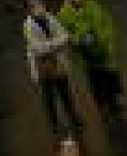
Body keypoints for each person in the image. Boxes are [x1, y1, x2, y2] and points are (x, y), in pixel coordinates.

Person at [25, 1, 87, 133]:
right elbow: (38, 48)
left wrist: (51, 45)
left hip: (58, 64)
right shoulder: (28, 26)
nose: (39, 8)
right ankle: (54, 123)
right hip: (43, 68)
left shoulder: (50, 18)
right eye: (34, 6)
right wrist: (56, 44)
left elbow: (65, 35)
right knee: (49, 97)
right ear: (29, 10)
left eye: (40, 5)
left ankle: (73, 117)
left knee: (66, 92)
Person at [59, 0, 126, 115]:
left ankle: (115, 99)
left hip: (103, 47)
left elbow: (107, 21)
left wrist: (108, 40)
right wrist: (79, 38)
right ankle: (102, 104)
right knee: (96, 78)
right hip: (86, 53)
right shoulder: (64, 14)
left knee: (111, 74)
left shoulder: (93, 4)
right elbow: (65, 35)